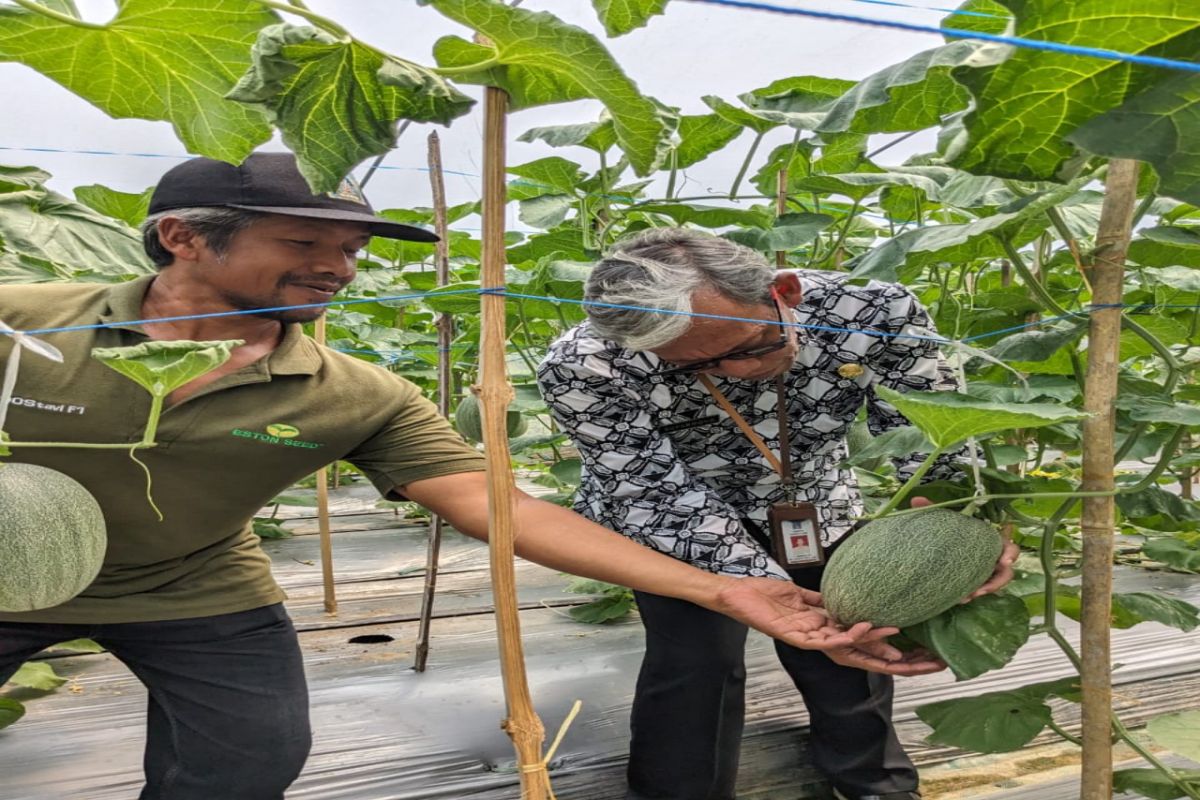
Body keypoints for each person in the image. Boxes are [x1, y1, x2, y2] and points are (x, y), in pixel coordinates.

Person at [0, 153, 923, 800]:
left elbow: (495, 503)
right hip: (7, 578)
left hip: (190, 589)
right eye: (304, 244)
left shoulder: (350, 395)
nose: (339, 268)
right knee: (693, 676)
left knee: (246, 765)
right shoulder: (21, 323)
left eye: (354, 251)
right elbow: (646, 486)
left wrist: (727, 591)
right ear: (183, 237)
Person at [537, 228, 1019, 800]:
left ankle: (873, 784)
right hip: (668, 518)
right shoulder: (583, 365)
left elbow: (931, 429)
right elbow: (651, 492)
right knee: (695, 662)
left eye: (748, 348)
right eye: (697, 367)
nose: (735, 372)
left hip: (815, 501)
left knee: (855, 634)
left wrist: (966, 531)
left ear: (784, 292)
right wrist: (760, 589)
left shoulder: (872, 309)